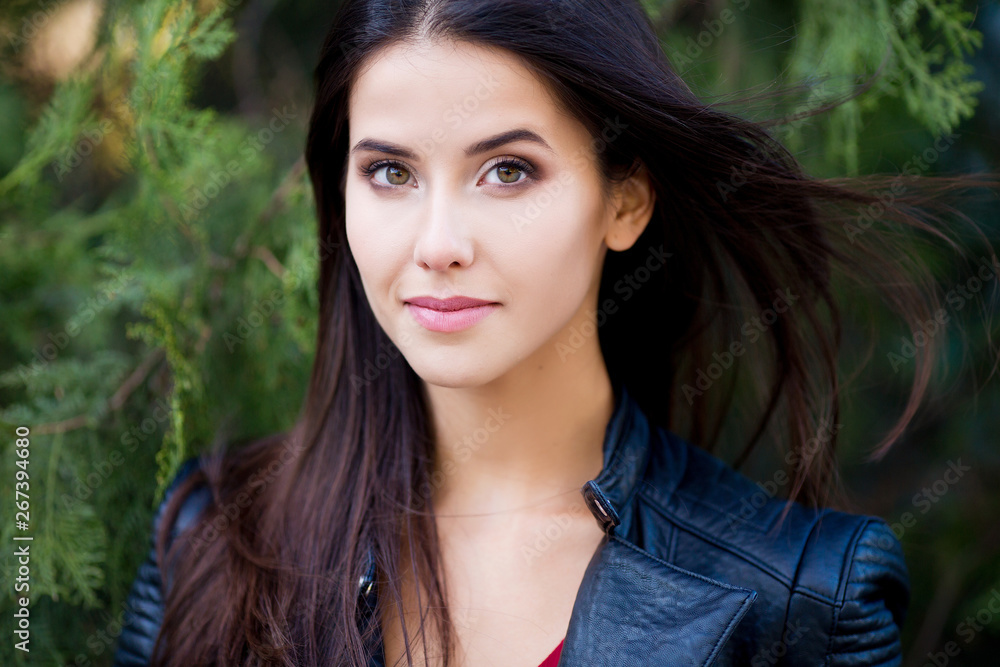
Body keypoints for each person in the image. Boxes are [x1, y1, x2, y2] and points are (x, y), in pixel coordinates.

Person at [112, 1, 996, 665]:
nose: (438, 244)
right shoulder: (212, 534)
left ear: (625, 200)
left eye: (507, 170)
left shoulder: (796, 598)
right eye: (389, 171)